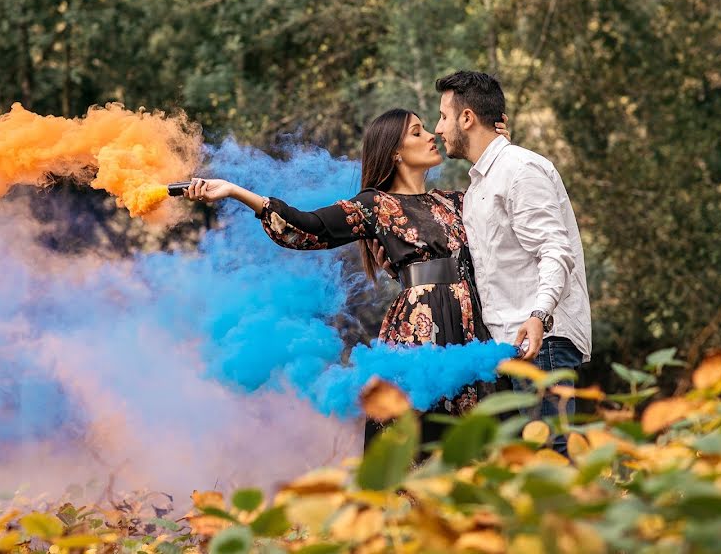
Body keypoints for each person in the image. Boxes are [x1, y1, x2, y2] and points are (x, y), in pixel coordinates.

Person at [182, 109, 509, 454]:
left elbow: (506, 219)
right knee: (421, 436)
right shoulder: (374, 205)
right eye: (417, 132)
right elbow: (308, 228)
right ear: (394, 152)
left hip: (473, 321)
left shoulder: (457, 201)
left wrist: (501, 148)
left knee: (486, 431)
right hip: (420, 328)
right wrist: (234, 191)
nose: (431, 135)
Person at [432, 70, 592, 455]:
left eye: (443, 116)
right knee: (530, 462)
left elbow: (555, 250)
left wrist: (539, 315)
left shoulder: (519, 169)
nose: (438, 129)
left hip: (542, 338)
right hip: (512, 344)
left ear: (467, 118)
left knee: (550, 454)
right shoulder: (481, 186)